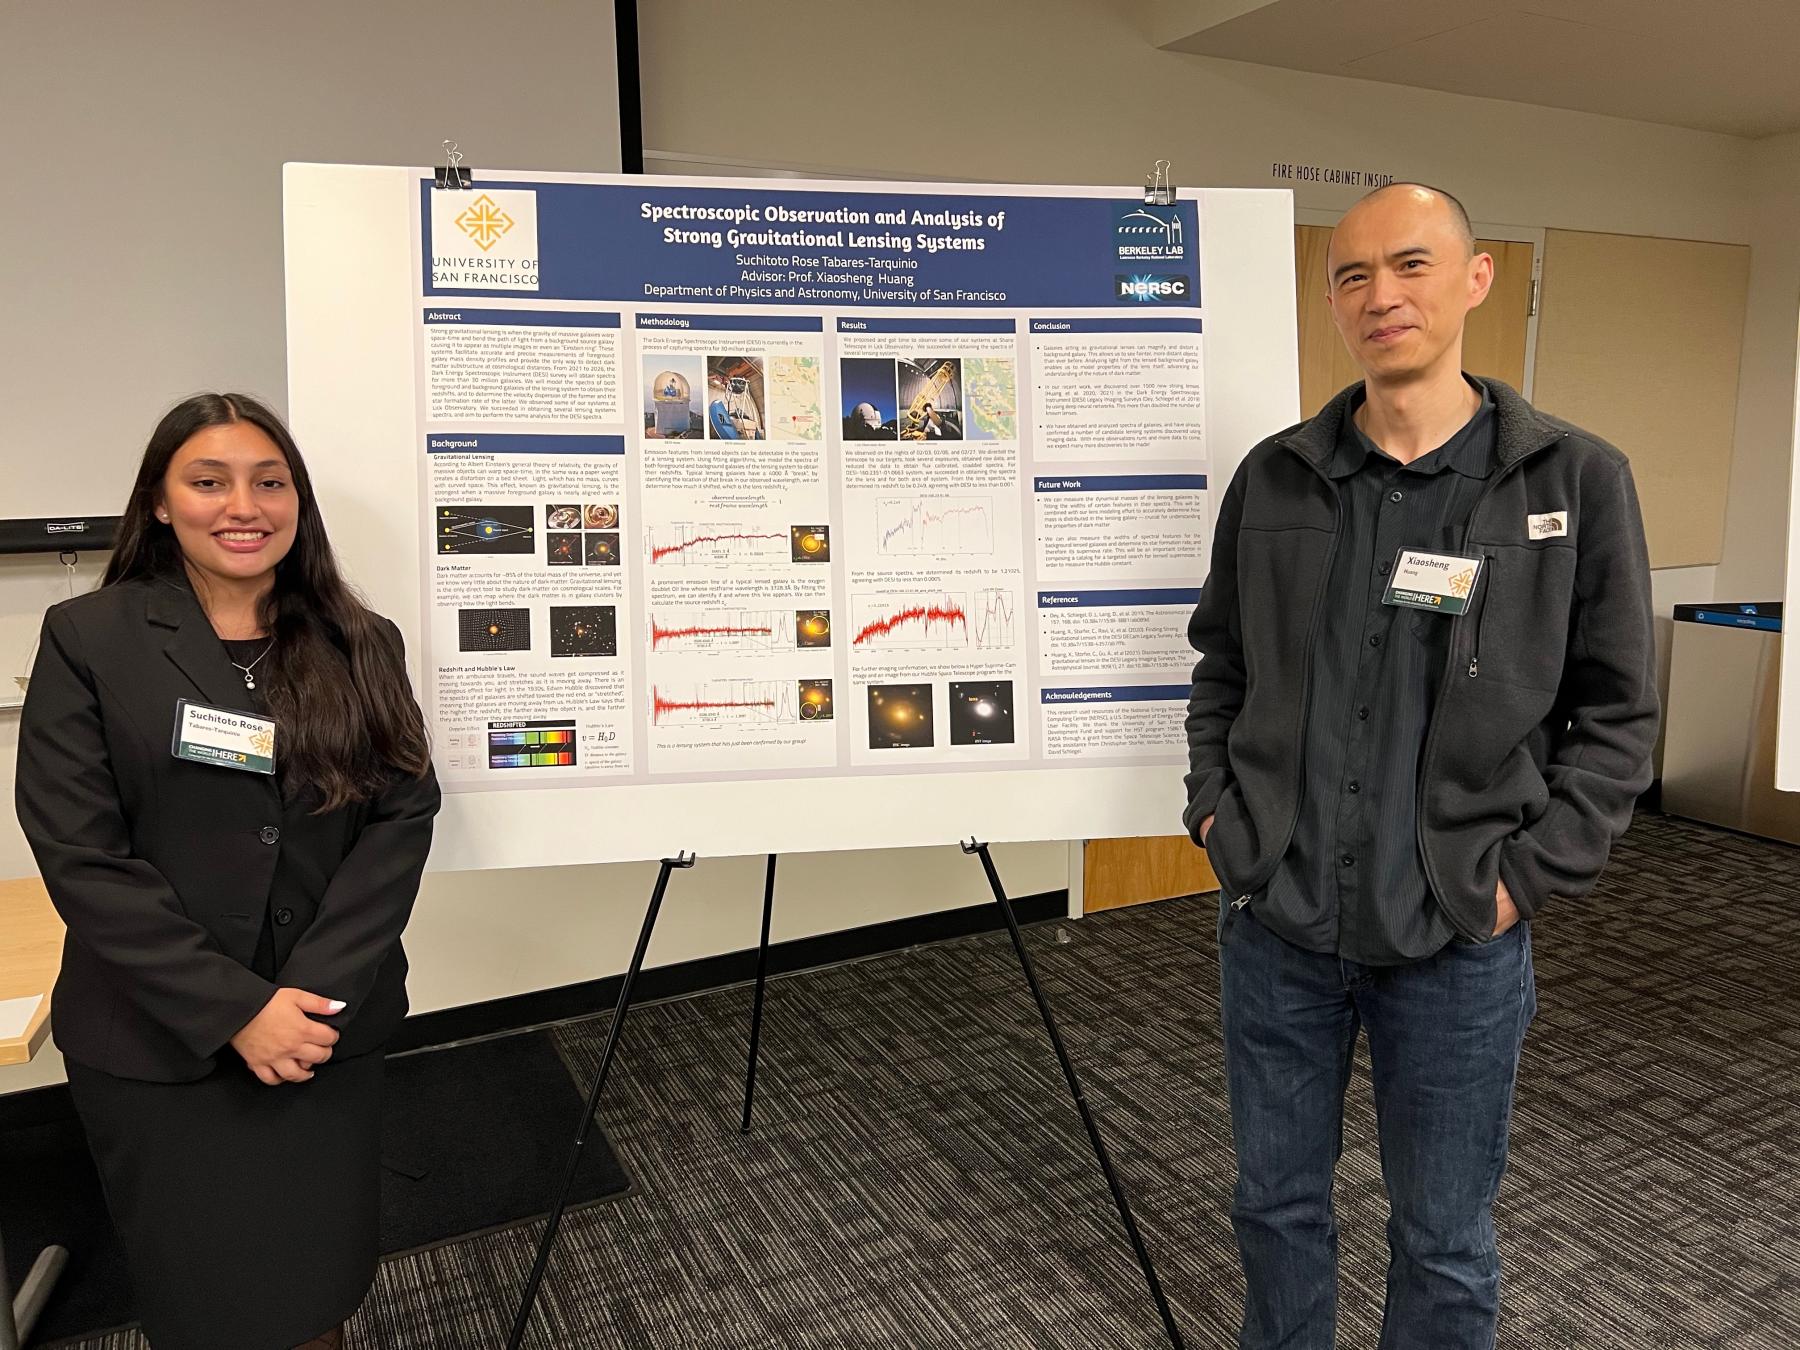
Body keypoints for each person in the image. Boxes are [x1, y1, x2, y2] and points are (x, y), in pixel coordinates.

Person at [1184, 183, 1657, 1348]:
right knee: (1275, 1206)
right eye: (1352, 275)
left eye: (1410, 265)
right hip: (1280, 923)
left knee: (1444, 1236)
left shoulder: (1573, 483)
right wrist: (1219, 819)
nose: (1381, 296)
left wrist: (1523, 878)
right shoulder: (1278, 476)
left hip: (1454, 936)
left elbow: (1620, 713)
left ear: (1474, 279)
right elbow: (1221, 666)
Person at [15, 393, 441, 1350]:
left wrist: (311, 998)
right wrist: (236, 1010)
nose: (242, 505)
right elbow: (83, 854)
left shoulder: (359, 641)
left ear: (297, 499)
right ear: (161, 503)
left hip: (325, 1035)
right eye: (207, 481)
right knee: (208, 1293)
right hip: (161, 1042)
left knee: (317, 1280)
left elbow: (401, 814)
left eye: (269, 481)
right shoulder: (91, 639)